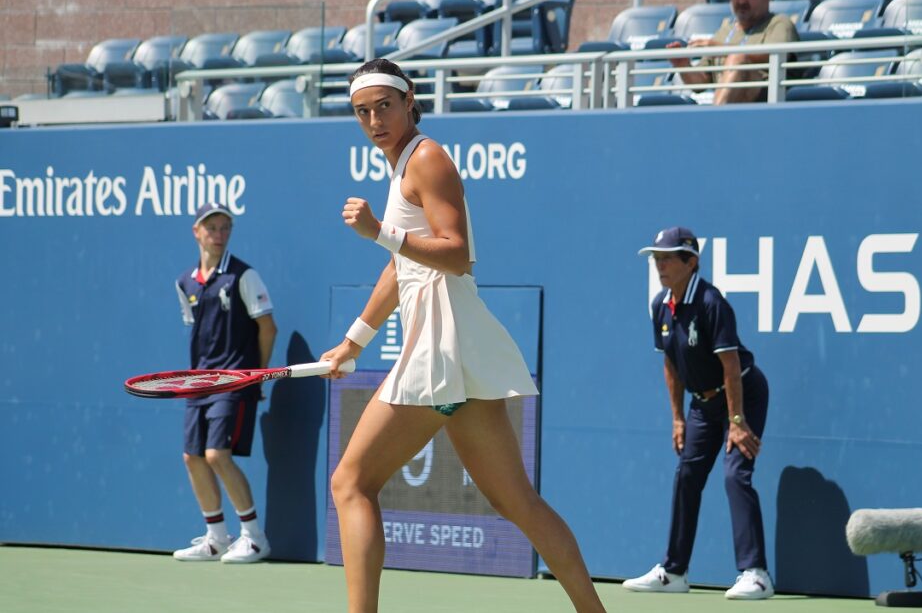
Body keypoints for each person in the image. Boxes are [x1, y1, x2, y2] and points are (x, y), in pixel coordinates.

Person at [319, 58, 606, 613]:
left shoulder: (426, 158)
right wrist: (355, 339)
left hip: (442, 345)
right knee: (517, 501)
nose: (375, 119)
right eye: (363, 112)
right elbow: (401, 270)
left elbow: (457, 254)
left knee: (349, 483)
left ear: (409, 103)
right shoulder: (404, 161)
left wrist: (381, 231)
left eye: (384, 106)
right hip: (459, 349)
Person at [623, 227, 773, 599]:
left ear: (691, 262)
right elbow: (672, 366)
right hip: (702, 405)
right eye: (657, 258)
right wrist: (677, 417)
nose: (660, 264)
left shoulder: (711, 303)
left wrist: (737, 421)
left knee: (736, 474)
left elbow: (731, 364)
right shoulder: (660, 305)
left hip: (741, 395)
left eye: (668, 257)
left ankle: (756, 574)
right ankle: (674, 572)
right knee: (687, 474)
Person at [172, 202, 278, 563]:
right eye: (212, 228)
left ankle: (254, 537)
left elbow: (268, 327)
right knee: (194, 458)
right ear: (197, 232)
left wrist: (256, 376)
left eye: (225, 228)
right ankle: (216, 537)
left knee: (218, 454)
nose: (219, 235)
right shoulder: (184, 282)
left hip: (234, 381)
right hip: (199, 382)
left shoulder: (243, 276)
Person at [669, 0, 798, 104]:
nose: (741, 1)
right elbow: (700, 83)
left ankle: (715, 119)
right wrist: (683, 66)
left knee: (738, 60)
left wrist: (720, 48)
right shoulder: (724, 31)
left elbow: (773, 55)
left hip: (765, 105)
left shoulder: (779, 23)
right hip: (734, 110)